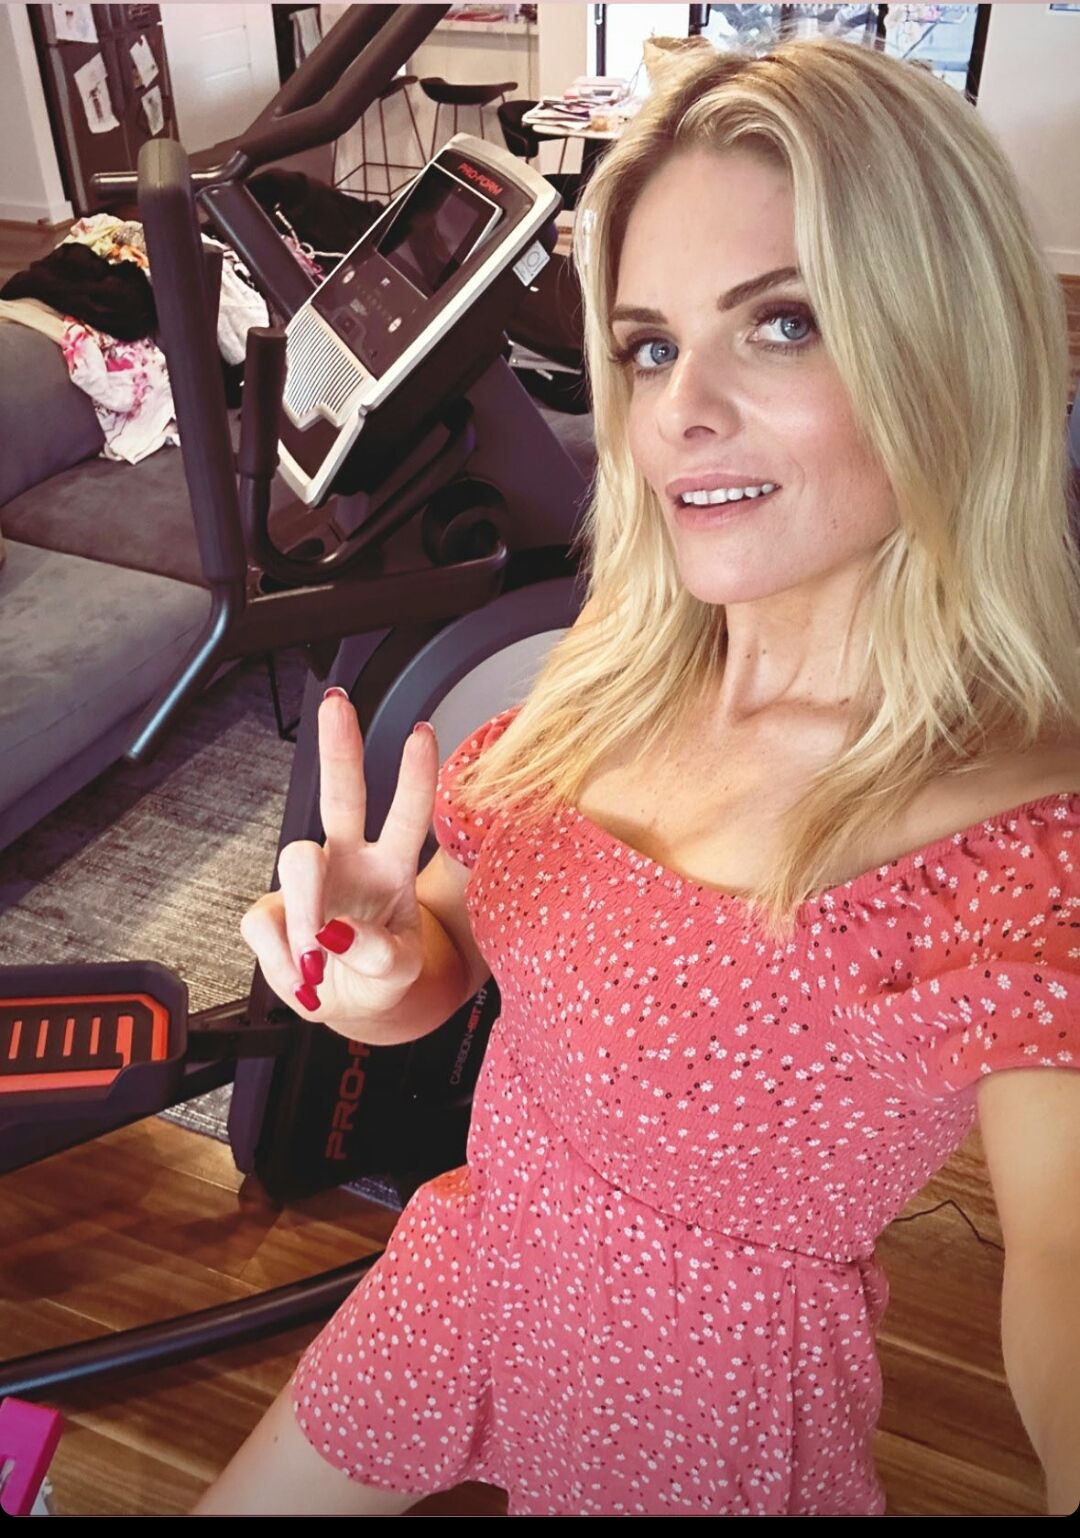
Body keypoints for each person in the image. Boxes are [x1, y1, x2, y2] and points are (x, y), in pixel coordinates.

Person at [192, 35, 1080, 1518]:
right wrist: (374, 966)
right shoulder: (610, 678)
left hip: (697, 1412)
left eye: (782, 323)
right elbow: (451, 961)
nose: (680, 410)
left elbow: (1062, 1261)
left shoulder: (1023, 840)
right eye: (652, 345)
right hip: (477, 1268)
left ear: (949, 351)